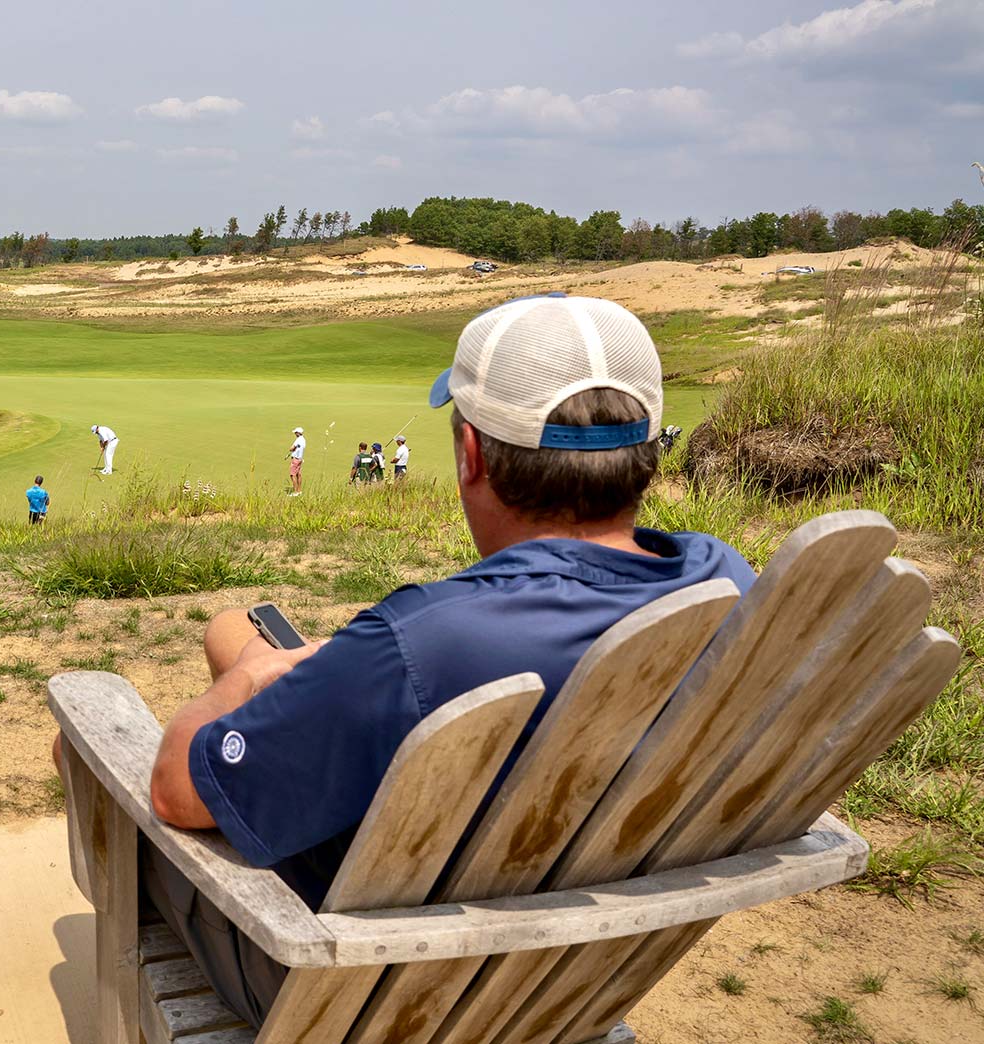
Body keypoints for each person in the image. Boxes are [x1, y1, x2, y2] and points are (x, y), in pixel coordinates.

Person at [139, 295, 756, 1028]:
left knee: (89, 746)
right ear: (650, 451)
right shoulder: (723, 579)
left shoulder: (424, 642)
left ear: (470, 456)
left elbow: (176, 791)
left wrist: (250, 678)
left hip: (374, 997)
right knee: (235, 631)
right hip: (578, 977)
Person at [286, 427, 306, 495]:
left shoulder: (298, 440)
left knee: (292, 475)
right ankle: (299, 490)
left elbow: (291, 448)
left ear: (298, 433)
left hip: (296, 459)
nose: (294, 433)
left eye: (295, 432)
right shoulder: (303, 439)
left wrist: (292, 449)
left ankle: (295, 492)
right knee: (298, 474)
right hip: (300, 459)